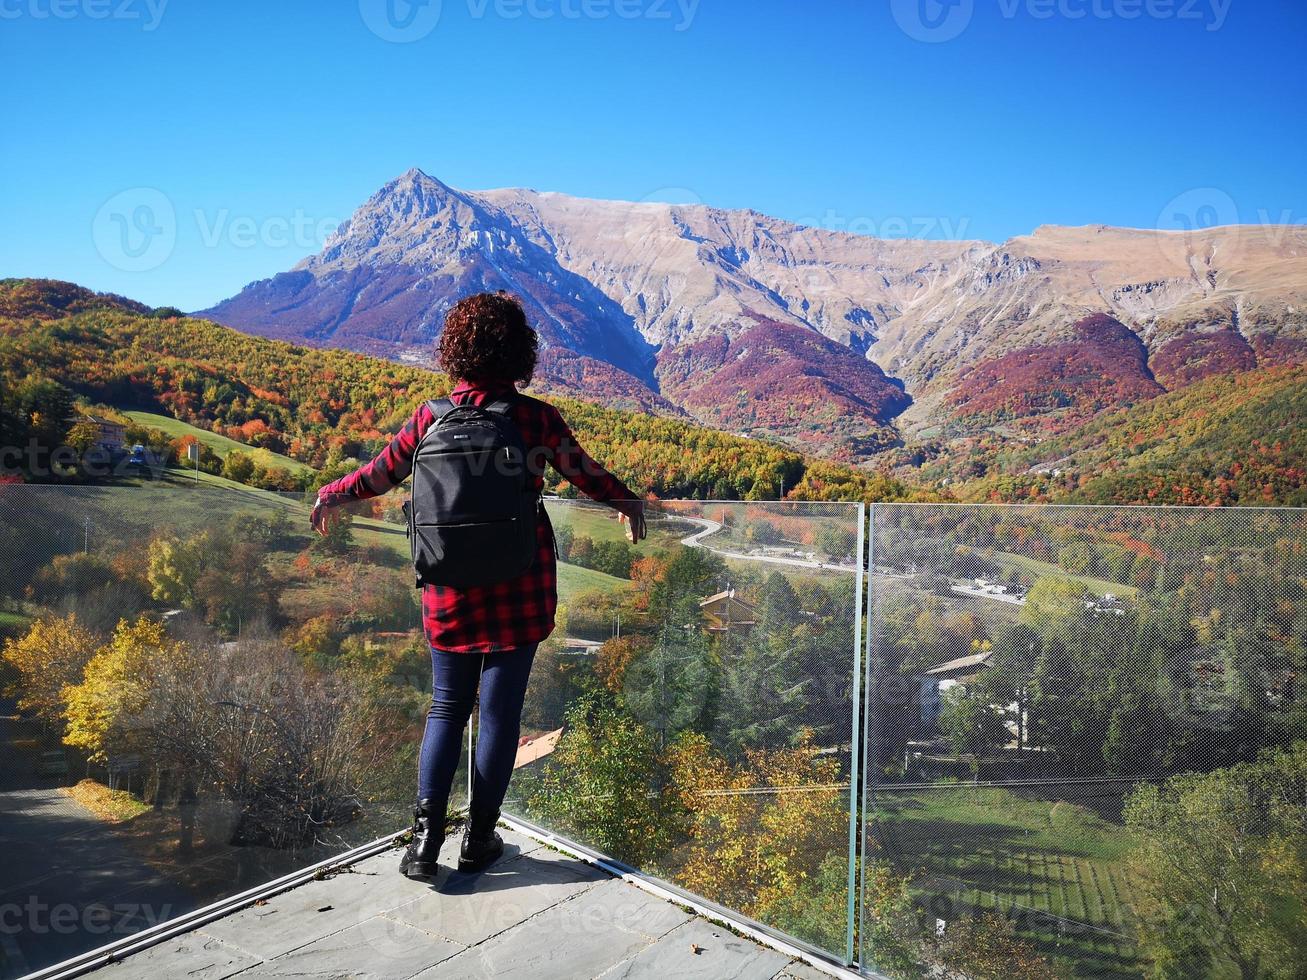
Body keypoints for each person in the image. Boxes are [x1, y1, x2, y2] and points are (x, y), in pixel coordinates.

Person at [310, 291, 646, 878]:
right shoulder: (534, 418)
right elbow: (582, 471)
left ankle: (423, 847)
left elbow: (379, 474)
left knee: (445, 709)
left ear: (454, 352)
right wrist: (625, 502)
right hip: (521, 582)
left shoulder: (430, 416)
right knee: (499, 716)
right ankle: (478, 842)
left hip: (448, 586)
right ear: (519, 352)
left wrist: (333, 493)